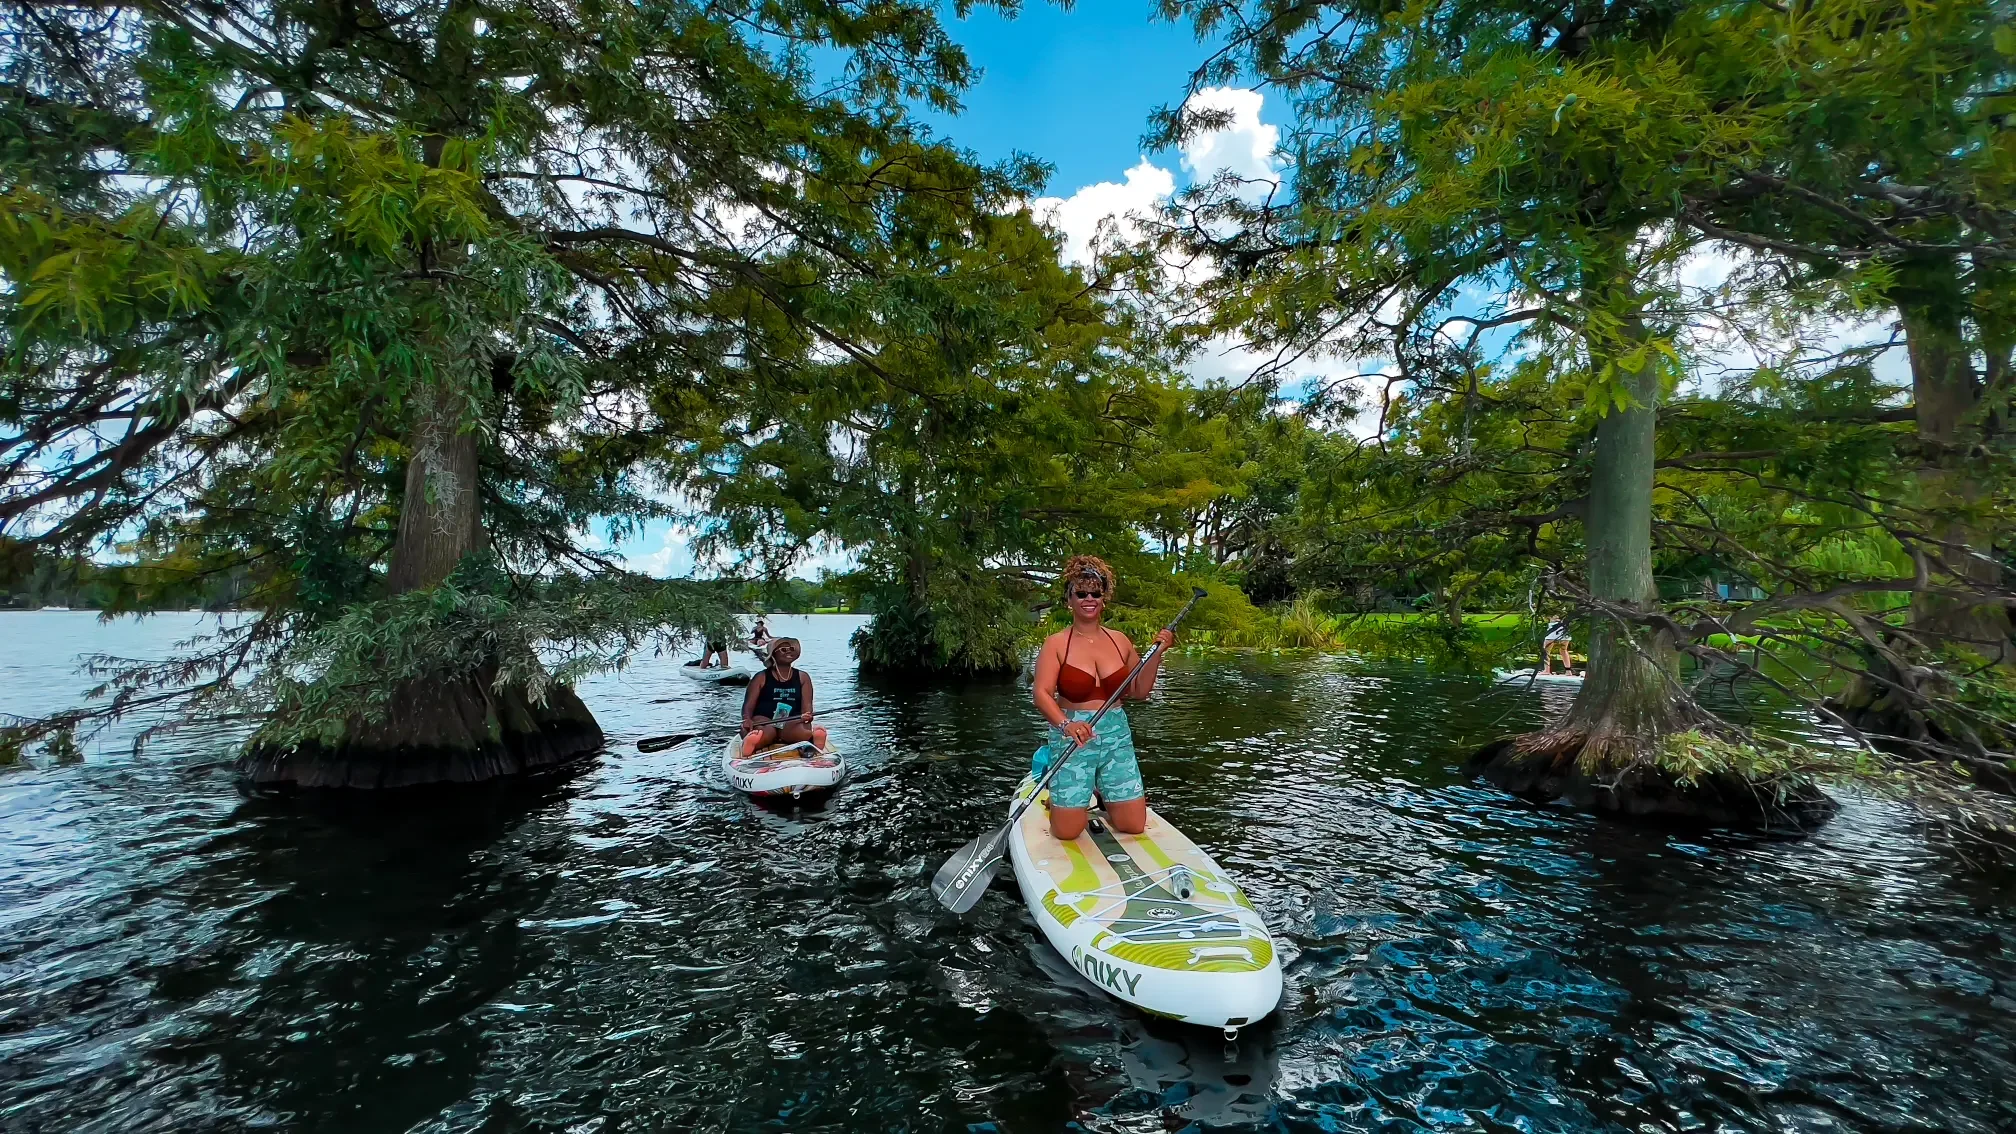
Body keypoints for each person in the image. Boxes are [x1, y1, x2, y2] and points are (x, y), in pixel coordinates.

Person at [1030, 555, 1175, 840]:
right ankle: (1060, 793)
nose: (1089, 599)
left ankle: (1099, 789)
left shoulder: (1120, 641)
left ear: (1104, 599)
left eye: (1096, 593)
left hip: (1115, 733)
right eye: (1081, 593)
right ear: (1069, 599)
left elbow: (1139, 691)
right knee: (1067, 832)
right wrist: (1066, 725)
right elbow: (1041, 694)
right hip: (1073, 735)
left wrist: (1157, 654)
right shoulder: (1056, 643)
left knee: (1133, 825)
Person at [741, 638, 828, 756]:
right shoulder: (761, 677)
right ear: (773, 654)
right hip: (765, 720)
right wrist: (747, 719)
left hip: (791, 720)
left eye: (791, 649)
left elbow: (807, 706)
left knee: (800, 732)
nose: (788, 651)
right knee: (766, 732)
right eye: (783, 649)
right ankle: (752, 743)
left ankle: (814, 738)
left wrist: (807, 716)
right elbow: (748, 705)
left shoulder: (803, 677)